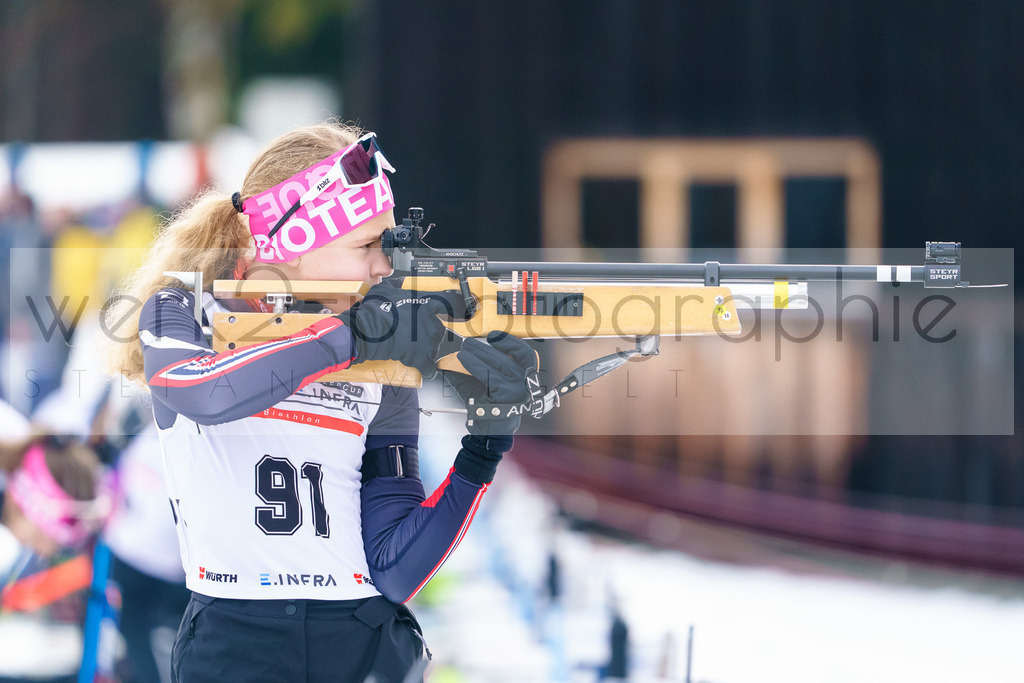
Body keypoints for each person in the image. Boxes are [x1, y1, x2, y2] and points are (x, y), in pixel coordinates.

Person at [103, 121, 536, 682]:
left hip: (363, 645)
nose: (385, 267)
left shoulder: (384, 360)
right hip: (234, 645)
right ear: (294, 242)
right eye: (367, 247)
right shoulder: (186, 311)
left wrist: (483, 450)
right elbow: (200, 390)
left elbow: (393, 571)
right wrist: (349, 337)